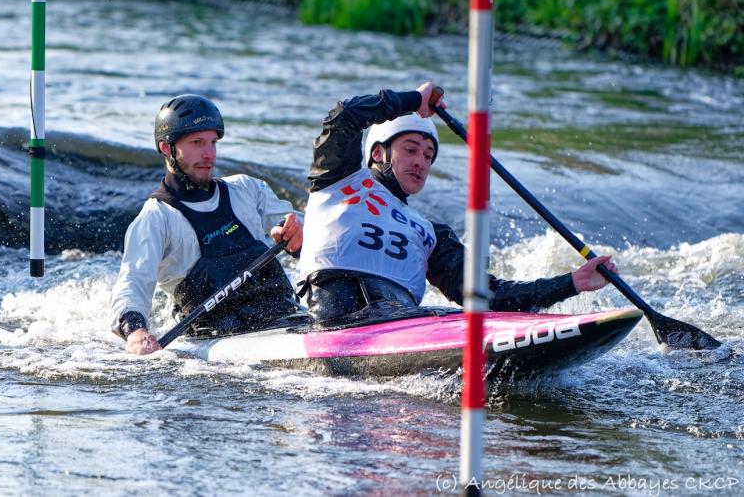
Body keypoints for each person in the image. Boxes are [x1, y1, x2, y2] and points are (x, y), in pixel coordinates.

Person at [297, 82, 617, 321]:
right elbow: (345, 116)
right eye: (410, 149)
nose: (421, 162)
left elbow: (487, 295)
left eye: (428, 156)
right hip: (332, 319)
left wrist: (573, 282)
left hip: (398, 324)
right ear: (379, 153)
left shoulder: (430, 233)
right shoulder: (337, 180)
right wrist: (413, 100)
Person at [110, 94, 304, 355]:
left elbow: (303, 229)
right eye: (197, 143)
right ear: (166, 148)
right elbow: (132, 281)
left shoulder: (247, 189)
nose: (209, 154)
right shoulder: (156, 218)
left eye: (213, 142)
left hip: (289, 318)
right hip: (220, 339)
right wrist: (135, 331)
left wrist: (295, 232)